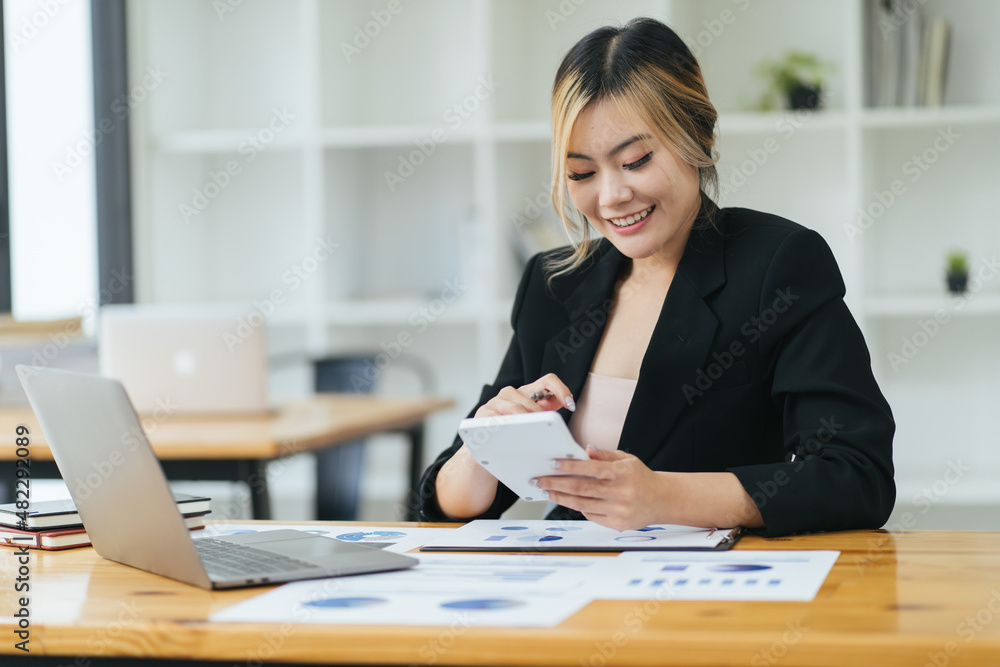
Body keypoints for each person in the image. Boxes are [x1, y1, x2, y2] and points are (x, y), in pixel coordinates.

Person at [417, 17, 895, 537]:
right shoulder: (555, 284)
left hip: (723, 596)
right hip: (576, 594)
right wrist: (485, 445)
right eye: (582, 173)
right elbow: (450, 505)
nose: (611, 196)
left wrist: (661, 496)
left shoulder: (779, 264)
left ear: (697, 136)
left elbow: (856, 475)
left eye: (636, 160)